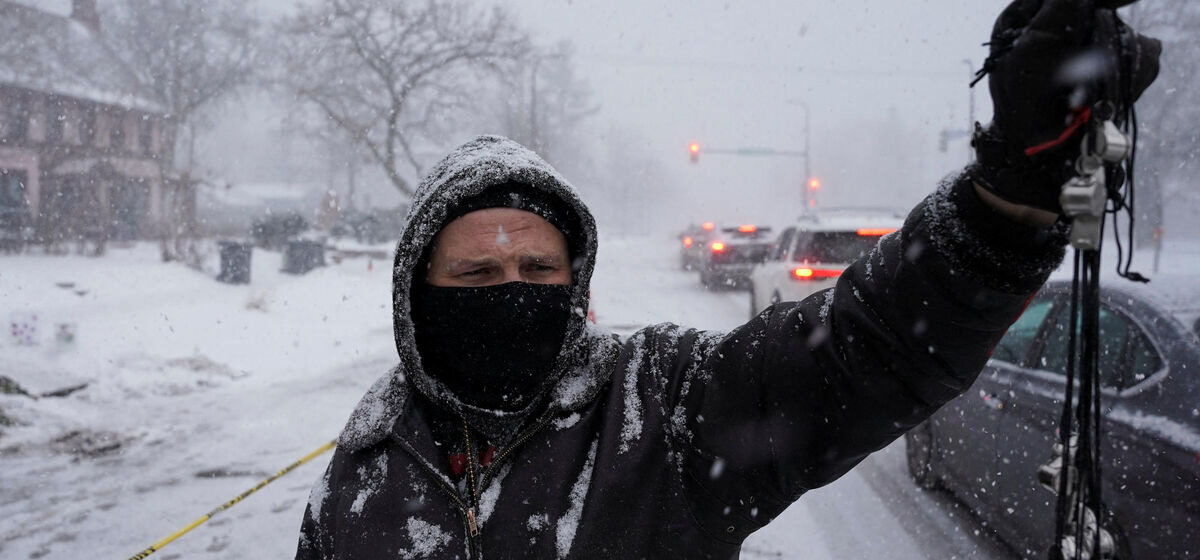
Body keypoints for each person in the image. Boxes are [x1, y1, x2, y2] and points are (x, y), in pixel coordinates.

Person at [296, 1, 1160, 558]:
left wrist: (1005, 201)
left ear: (574, 283)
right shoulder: (370, 456)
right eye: (477, 272)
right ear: (419, 295)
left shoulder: (660, 405)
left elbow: (868, 350)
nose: (512, 289)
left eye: (536, 267)